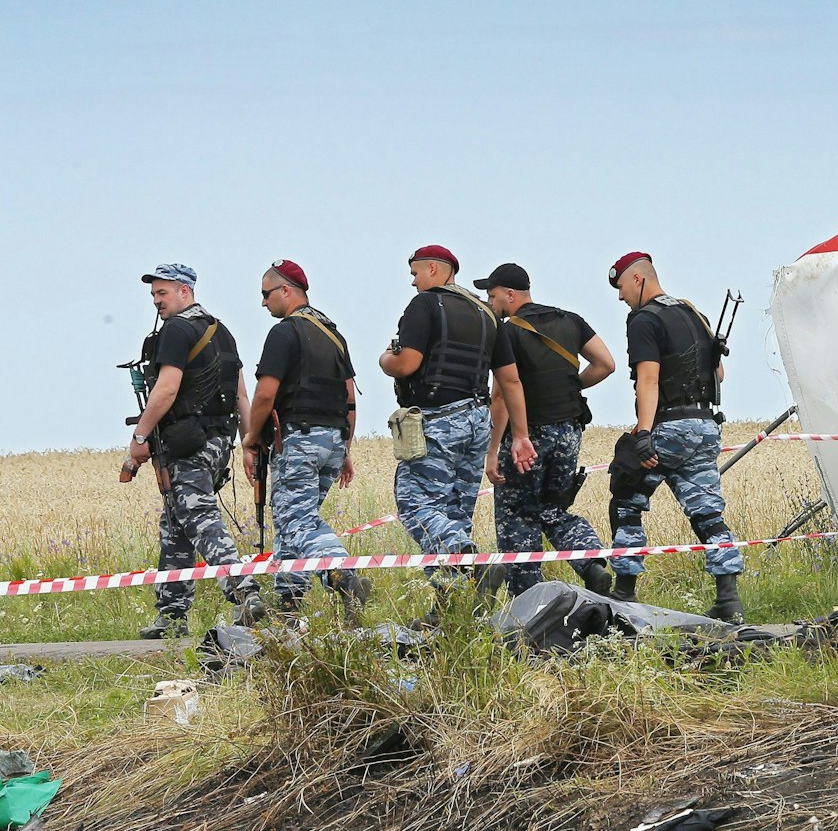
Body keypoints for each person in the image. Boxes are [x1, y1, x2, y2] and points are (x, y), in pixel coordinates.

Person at [378, 245, 535, 608]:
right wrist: (521, 435)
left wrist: (386, 359)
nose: (413, 281)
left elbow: (406, 363)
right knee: (455, 511)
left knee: (415, 503)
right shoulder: (486, 314)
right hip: (478, 420)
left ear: (434, 269)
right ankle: (451, 606)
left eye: (415, 272)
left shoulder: (426, 304)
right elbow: (510, 382)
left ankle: (468, 555)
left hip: (438, 420)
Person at [119, 264, 265, 637]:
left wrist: (139, 439)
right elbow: (241, 394)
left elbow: (166, 389)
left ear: (185, 291)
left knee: (197, 515)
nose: (156, 302)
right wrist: (249, 443)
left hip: (187, 443)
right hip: (220, 440)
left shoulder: (177, 330)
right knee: (176, 523)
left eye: (162, 294)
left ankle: (244, 591)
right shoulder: (222, 331)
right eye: (153, 295)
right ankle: (171, 615)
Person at [606, 251, 743, 622]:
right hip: (705, 427)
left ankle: (624, 593)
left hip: (669, 427)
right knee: (707, 513)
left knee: (626, 497)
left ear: (637, 280)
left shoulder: (644, 319)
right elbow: (720, 375)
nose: (620, 297)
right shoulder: (692, 313)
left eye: (620, 287)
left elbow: (648, 379)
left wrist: (645, 435)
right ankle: (729, 601)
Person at [475, 262, 618, 596]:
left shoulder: (506, 332)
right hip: (569, 432)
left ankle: (529, 602)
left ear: (510, 295)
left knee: (517, 516)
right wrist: (572, 386)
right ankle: (591, 564)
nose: (491, 303)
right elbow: (606, 364)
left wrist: (493, 450)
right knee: (553, 510)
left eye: (493, 296)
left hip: (529, 436)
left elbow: (500, 395)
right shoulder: (570, 320)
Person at [240, 259, 369, 616]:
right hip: (333, 440)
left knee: (297, 520)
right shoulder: (332, 333)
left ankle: (343, 576)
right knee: (293, 517)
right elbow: (349, 397)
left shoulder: (285, 333)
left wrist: (251, 438)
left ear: (286, 291)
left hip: (298, 438)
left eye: (266, 295)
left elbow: (266, 393)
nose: (263, 303)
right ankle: (288, 602)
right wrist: (345, 448)